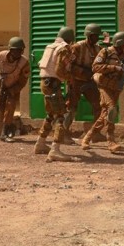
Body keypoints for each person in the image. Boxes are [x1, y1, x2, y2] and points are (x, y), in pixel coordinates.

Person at [81, 31, 124, 153]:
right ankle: (111, 141)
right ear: (120, 43)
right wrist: (114, 68)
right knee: (112, 109)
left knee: (104, 115)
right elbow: (95, 67)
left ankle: (87, 138)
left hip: (116, 87)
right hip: (104, 85)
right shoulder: (106, 52)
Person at [34, 27, 79, 162]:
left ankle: (40, 144)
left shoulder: (50, 46)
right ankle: (55, 150)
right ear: (69, 39)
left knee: (50, 115)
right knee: (61, 116)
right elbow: (60, 70)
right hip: (53, 83)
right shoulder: (63, 48)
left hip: (45, 82)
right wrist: (69, 78)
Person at [65, 23, 103, 138]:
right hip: (76, 81)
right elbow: (69, 65)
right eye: (95, 36)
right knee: (71, 107)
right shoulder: (77, 47)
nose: (97, 38)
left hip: (90, 82)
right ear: (89, 35)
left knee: (98, 105)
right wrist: (84, 72)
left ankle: (94, 133)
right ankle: (63, 132)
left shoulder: (98, 48)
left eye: (98, 36)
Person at [0, 37, 31, 143]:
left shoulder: (24, 62)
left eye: (20, 50)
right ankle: (10, 125)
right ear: (10, 50)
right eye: (16, 50)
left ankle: (3, 133)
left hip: (13, 87)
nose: (18, 52)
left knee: (10, 107)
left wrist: (13, 90)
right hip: (0, 85)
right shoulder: (0, 56)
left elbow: (23, 81)